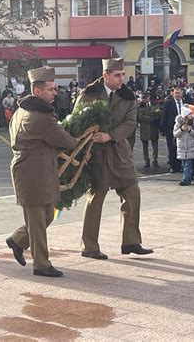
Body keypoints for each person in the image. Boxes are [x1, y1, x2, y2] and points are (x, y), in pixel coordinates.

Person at [74, 56, 154, 260]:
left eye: (123, 75)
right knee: (96, 197)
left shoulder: (127, 97)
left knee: (132, 192)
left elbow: (130, 122)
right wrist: (88, 141)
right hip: (96, 154)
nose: (121, 79)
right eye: (117, 75)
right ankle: (89, 246)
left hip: (119, 151)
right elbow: (76, 119)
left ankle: (131, 241)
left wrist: (110, 135)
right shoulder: (89, 94)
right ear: (105, 75)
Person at [5, 67, 78, 277]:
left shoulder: (22, 110)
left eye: (54, 89)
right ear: (37, 92)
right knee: (38, 219)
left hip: (34, 171)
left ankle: (18, 239)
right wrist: (77, 140)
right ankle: (41, 264)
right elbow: (64, 140)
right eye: (51, 89)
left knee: (46, 214)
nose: (55, 92)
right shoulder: (41, 116)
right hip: (32, 174)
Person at [174, 107, 194, 186]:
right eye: (189, 114)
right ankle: (188, 178)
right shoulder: (178, 124)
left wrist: (190, 130)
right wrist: (181, 130)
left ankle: (185, 180)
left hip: (190, 147)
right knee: (184, 164)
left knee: (188, 164)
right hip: (182, 147)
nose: (191, 115)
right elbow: (175, 134)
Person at [162, 87, 185, 173]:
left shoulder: (185, 103)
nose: (177, 95)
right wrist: (166, 130)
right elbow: (164, 117)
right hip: (171, 129)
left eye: (179, 93)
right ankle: (173, 166)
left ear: (181, 94)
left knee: (181, 148)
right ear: (173, 94)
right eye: (176, 93)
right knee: (172, 148)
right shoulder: (168, 103)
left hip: (183, 129)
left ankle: (180, 165)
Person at [137, 92, 161, 168]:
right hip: (144, 128)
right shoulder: (140, 106)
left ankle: (155, 161)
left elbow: (158, 115)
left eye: (145, 97)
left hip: (153, 127)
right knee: (145, 146)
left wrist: (154, 117)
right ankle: (146, 161)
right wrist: (151, 118)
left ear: (149, 97)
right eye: (143, 98)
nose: (144, 99)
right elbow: (140, 116)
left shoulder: (154, 104)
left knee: (155, 146)